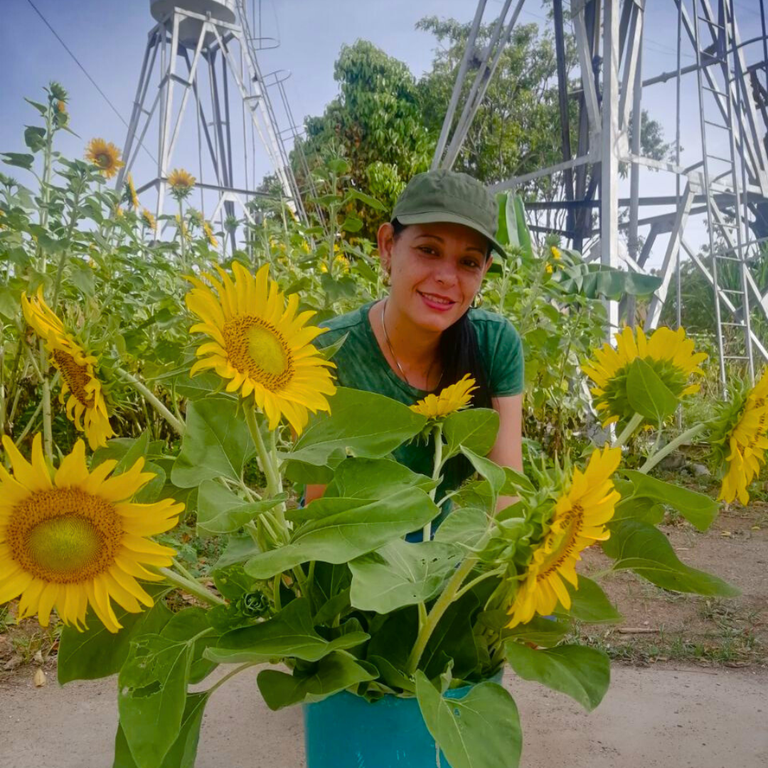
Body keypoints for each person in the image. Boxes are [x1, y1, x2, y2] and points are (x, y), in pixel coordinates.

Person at [306, 169, 524, 534]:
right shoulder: (329, 351)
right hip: (347, 557)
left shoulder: (494, 345)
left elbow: (505, 494)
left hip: (442, 567)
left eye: (468, 262)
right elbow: (321, 512)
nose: (446, 277)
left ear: (485, 270)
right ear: (388, 246)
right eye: (429, 250)